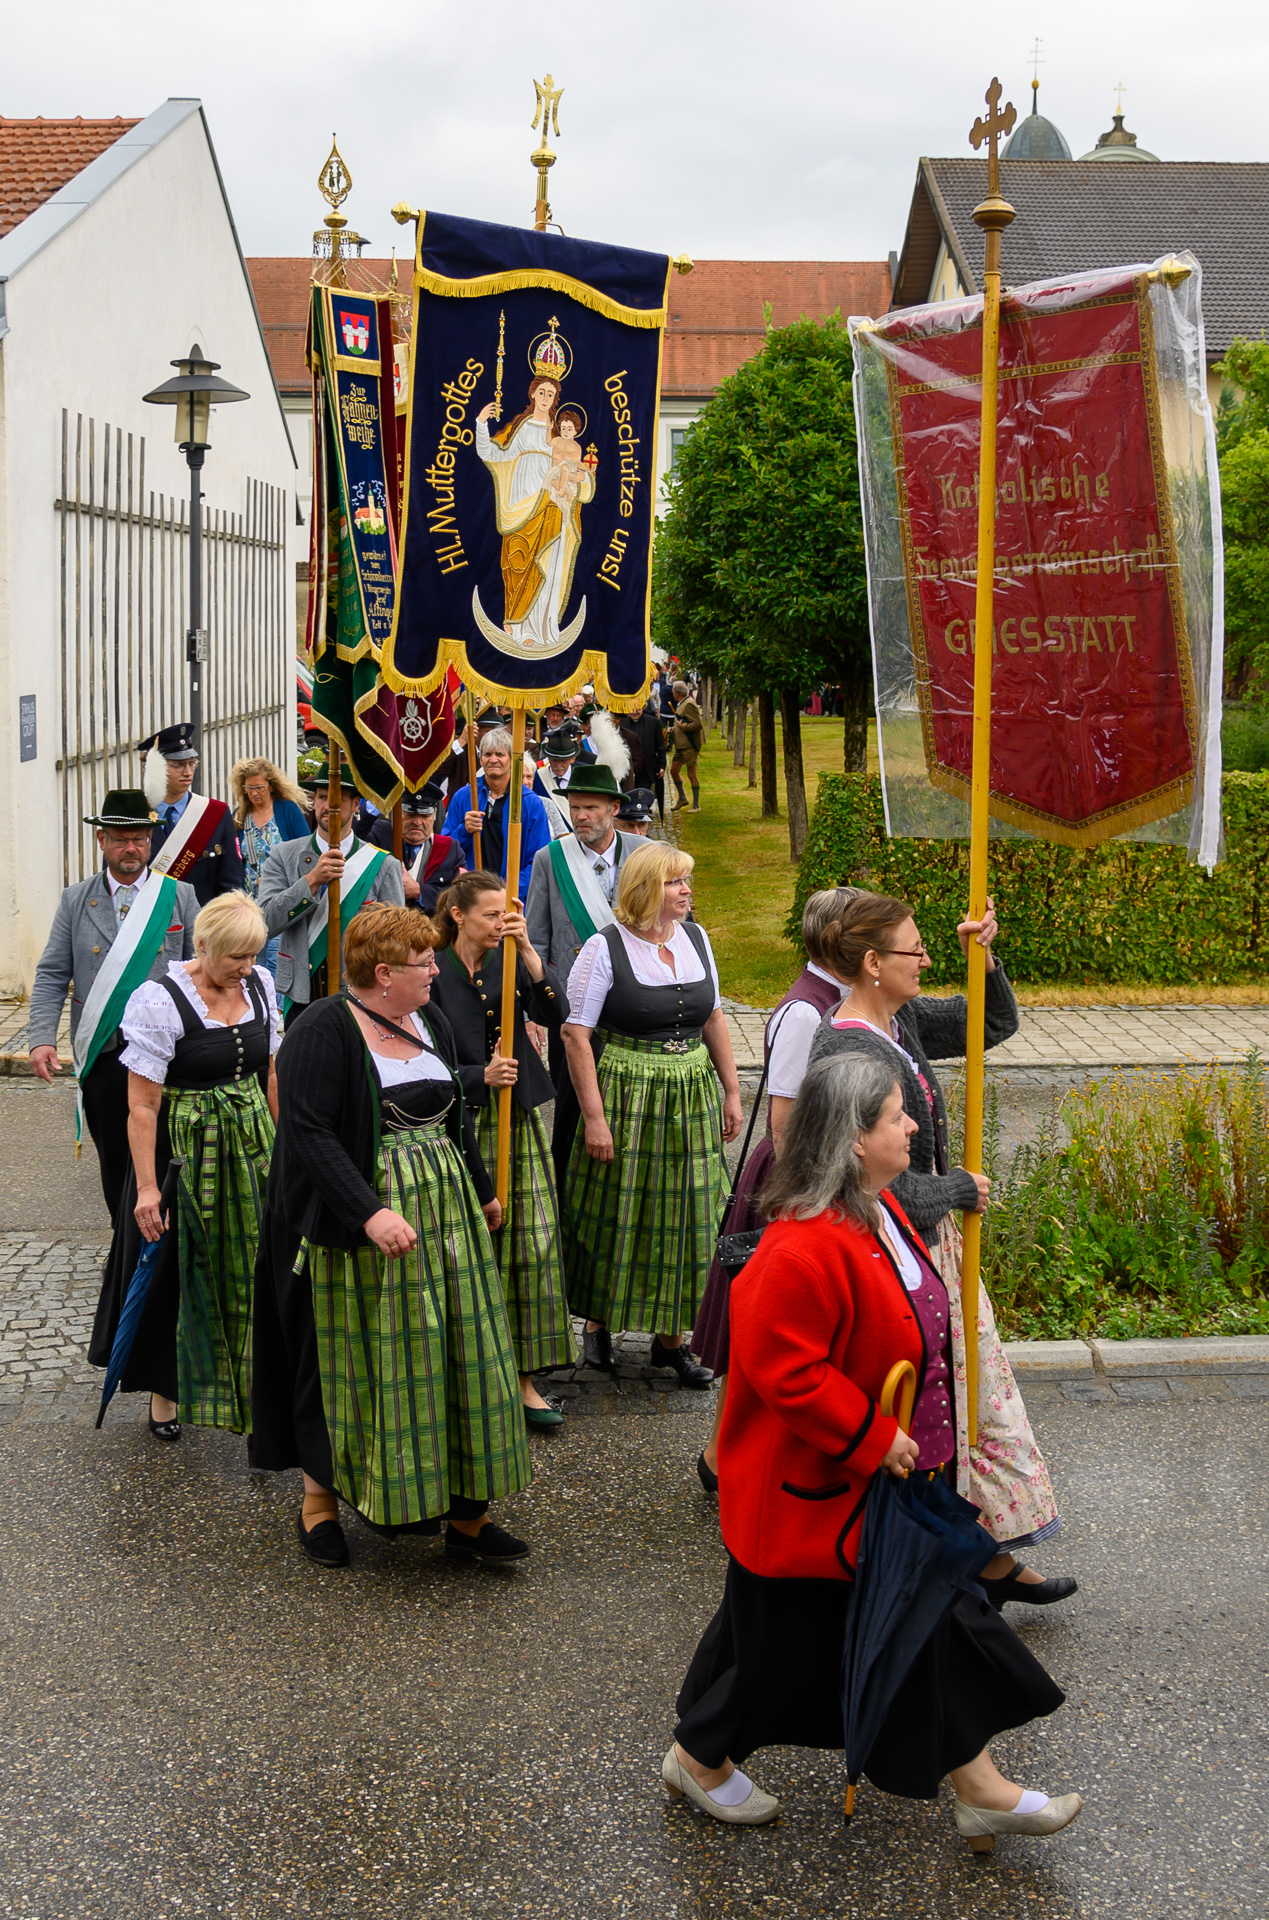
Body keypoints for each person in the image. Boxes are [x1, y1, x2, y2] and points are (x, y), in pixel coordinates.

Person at [666, 1053, 1083, 1845]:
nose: (912, 1126)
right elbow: (786, 1372)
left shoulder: (880, 1210)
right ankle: (698, 1759)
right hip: (813, 1498)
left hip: (878, 1490)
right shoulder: (797, 1247)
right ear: (856, 1139)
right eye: (897, 1116)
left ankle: (980, 1788)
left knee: (927, 1620)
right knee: (780, 1655)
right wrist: (872, 1434)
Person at [807, 891, 1075, 1607]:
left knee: (966, 1401)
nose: (926, 960)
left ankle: (970, 1554)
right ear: (870, 963)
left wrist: (981, 953)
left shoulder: (901, 1023)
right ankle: (943, 1563)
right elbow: (861, 1187)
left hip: (928, 1246)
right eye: (914, 950)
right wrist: (955, 1188)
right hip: (890, 1255)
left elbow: (993, 1022)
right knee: (933, 1406)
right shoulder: (844, 1049)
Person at [250, 903, 531, 1570]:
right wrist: (368, 1213)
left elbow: (455, 1113)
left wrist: (482, 1188)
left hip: (444, 1216)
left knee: (459, 1349)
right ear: (382, 974)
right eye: (422, 963)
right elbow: (309, 1134)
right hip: (360, 1229)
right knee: (351, 1361)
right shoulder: (323, 1028)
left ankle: (468, 1515)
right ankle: (318, 1504)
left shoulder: (426, 1018)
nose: (436, 970)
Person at [89, 892, 279, 1441]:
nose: (246, 969)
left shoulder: (261, 986)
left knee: (258, 1259)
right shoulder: (159, 999)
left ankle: (257, 1381)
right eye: (235, 958)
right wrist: (147, 1190)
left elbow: (269, 1075)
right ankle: (165, 1391)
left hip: (252, 1145)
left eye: (252, 956)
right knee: (178, 1268)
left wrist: (283, 1147)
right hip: (185, 1152)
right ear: (202, 945)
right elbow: (143, 1104)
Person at [692, 886, 862, 1491]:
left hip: (820, 1177)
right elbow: (785, 1121)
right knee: (763, 1331)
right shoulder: (803, 1011)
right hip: (792, 1181)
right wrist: (807, 1202)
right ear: (836, 938)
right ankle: (721, 1458)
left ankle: (741, 1456)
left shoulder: (840, 999)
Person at [558, 841, 742, 1382]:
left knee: (689, 1210)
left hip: (691, 1090)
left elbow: (714, 1018)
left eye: (686, 881)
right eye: (675, 882)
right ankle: (597, 1326)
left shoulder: (696, 938)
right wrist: (594, 1116)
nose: (687, 891)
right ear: (645, 889)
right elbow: (575, 1034)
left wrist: (731, 1090)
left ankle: (672, 1338)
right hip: (627, 1091)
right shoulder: (603, 947)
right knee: (620, 1203)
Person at [428, 873, 575, 1427]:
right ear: (459, 915)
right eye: (490, 916)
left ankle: (524, 1379)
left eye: (504, 915)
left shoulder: (508, 961)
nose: (500, 924)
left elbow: (557, 1015)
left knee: (531, 1243)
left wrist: (532, 954)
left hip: (516, 1117)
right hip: (456, 1123)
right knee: (467, 1251)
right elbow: (416, 1060)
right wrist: (475, 1076)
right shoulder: (432, 969)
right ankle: (468, 1376)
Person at [28, 790, 198, 1220]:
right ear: (101, 840)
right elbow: (52, 973)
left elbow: (202, 971)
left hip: (168, 1053)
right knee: (115, 1159)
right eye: (121, 839)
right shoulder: (75, 900)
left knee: (165, 1154)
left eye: (140, 838)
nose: (131, 848)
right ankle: (125, 1247)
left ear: (150, 841)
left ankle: (164, 1256)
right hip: (104, 1052)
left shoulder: (179, 897)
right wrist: (40, 1038)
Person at [257, 750, 405, 1022]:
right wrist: (311, 881)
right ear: (314, 802)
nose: (329, 805)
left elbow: (397, 941)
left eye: (338, 798)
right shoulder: (283, 855)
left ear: (356, 804)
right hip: (302, 991)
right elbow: (265, 921)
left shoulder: (383, 865)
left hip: (361, 993)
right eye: (322, 797)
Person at [525, 762, 637, 1084]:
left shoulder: (646, 853)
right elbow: (535, 940)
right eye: (574, 807)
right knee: (571, 1107)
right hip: (571, 1009)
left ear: (614, 808)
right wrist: (531, 1011)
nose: (580, 816)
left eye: (591, 807)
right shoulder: (550, 859)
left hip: (633, 1003)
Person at [141, 722, 245, 904]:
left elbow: (231, 884)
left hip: (201, 926)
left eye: (191, 763)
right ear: (154, 768)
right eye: (178, 765)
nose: (188, 772)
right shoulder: (135, 815)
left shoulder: (215, 813)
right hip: (149, 925)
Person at [442, 726, 551, 898]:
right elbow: (445, 851)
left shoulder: (530, 803)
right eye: (487, 754)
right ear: (480, 759)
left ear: (511, 759)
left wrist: (506, 892)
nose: (493, 760)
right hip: (470, 896)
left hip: (512, 899)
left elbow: (539, 861)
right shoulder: (464, 797)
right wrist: (464, 830)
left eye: (500, 754)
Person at [231, 757, 310, 976]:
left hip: (279, 900)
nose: (255, 794)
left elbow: (306, 854)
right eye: (249, 788)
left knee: (276, 962)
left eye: (259, 787)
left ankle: (276, 1009)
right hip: (250, 904)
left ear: (271, 786)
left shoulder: (286, 810)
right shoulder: (239, 816)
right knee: (252, 963)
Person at [368, 784, 461, 915]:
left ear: (434, 816)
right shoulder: (381, 835)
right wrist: (379, 800)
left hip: (432, 931)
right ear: (398, 812)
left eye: (425, 816)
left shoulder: (450, 849)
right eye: (410, 814)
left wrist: (418, 890)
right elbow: (355, 833)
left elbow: (459, 896)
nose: (417, 822)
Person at [531, 724, 582, 838]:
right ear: (548, 758)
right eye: (554, 760)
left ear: (571, 759)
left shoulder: (583, 778)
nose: (559, 765)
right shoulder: (536, 778)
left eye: (563, 760)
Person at [617, 696, 667, 805]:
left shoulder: (653, 723)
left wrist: (662, 765)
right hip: (626, 769)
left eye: (638, 708)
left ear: (643, 707)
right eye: (632, 709)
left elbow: (660, 747)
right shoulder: (621, 722)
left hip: (647, 769)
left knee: (644, 797)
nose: (635, 712)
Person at [669, 681, 705, 813]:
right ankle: (682, 798)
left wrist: (682, 727)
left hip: (689, 746)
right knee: (673, 771)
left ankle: (696, 805)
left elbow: (697, 724)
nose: (672, 693)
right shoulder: (682, 703)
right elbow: (682, 721)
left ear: (677, 692)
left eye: (673, 691)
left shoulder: (689, 703)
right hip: (680, 745)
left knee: (691, 774)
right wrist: (674, 729)